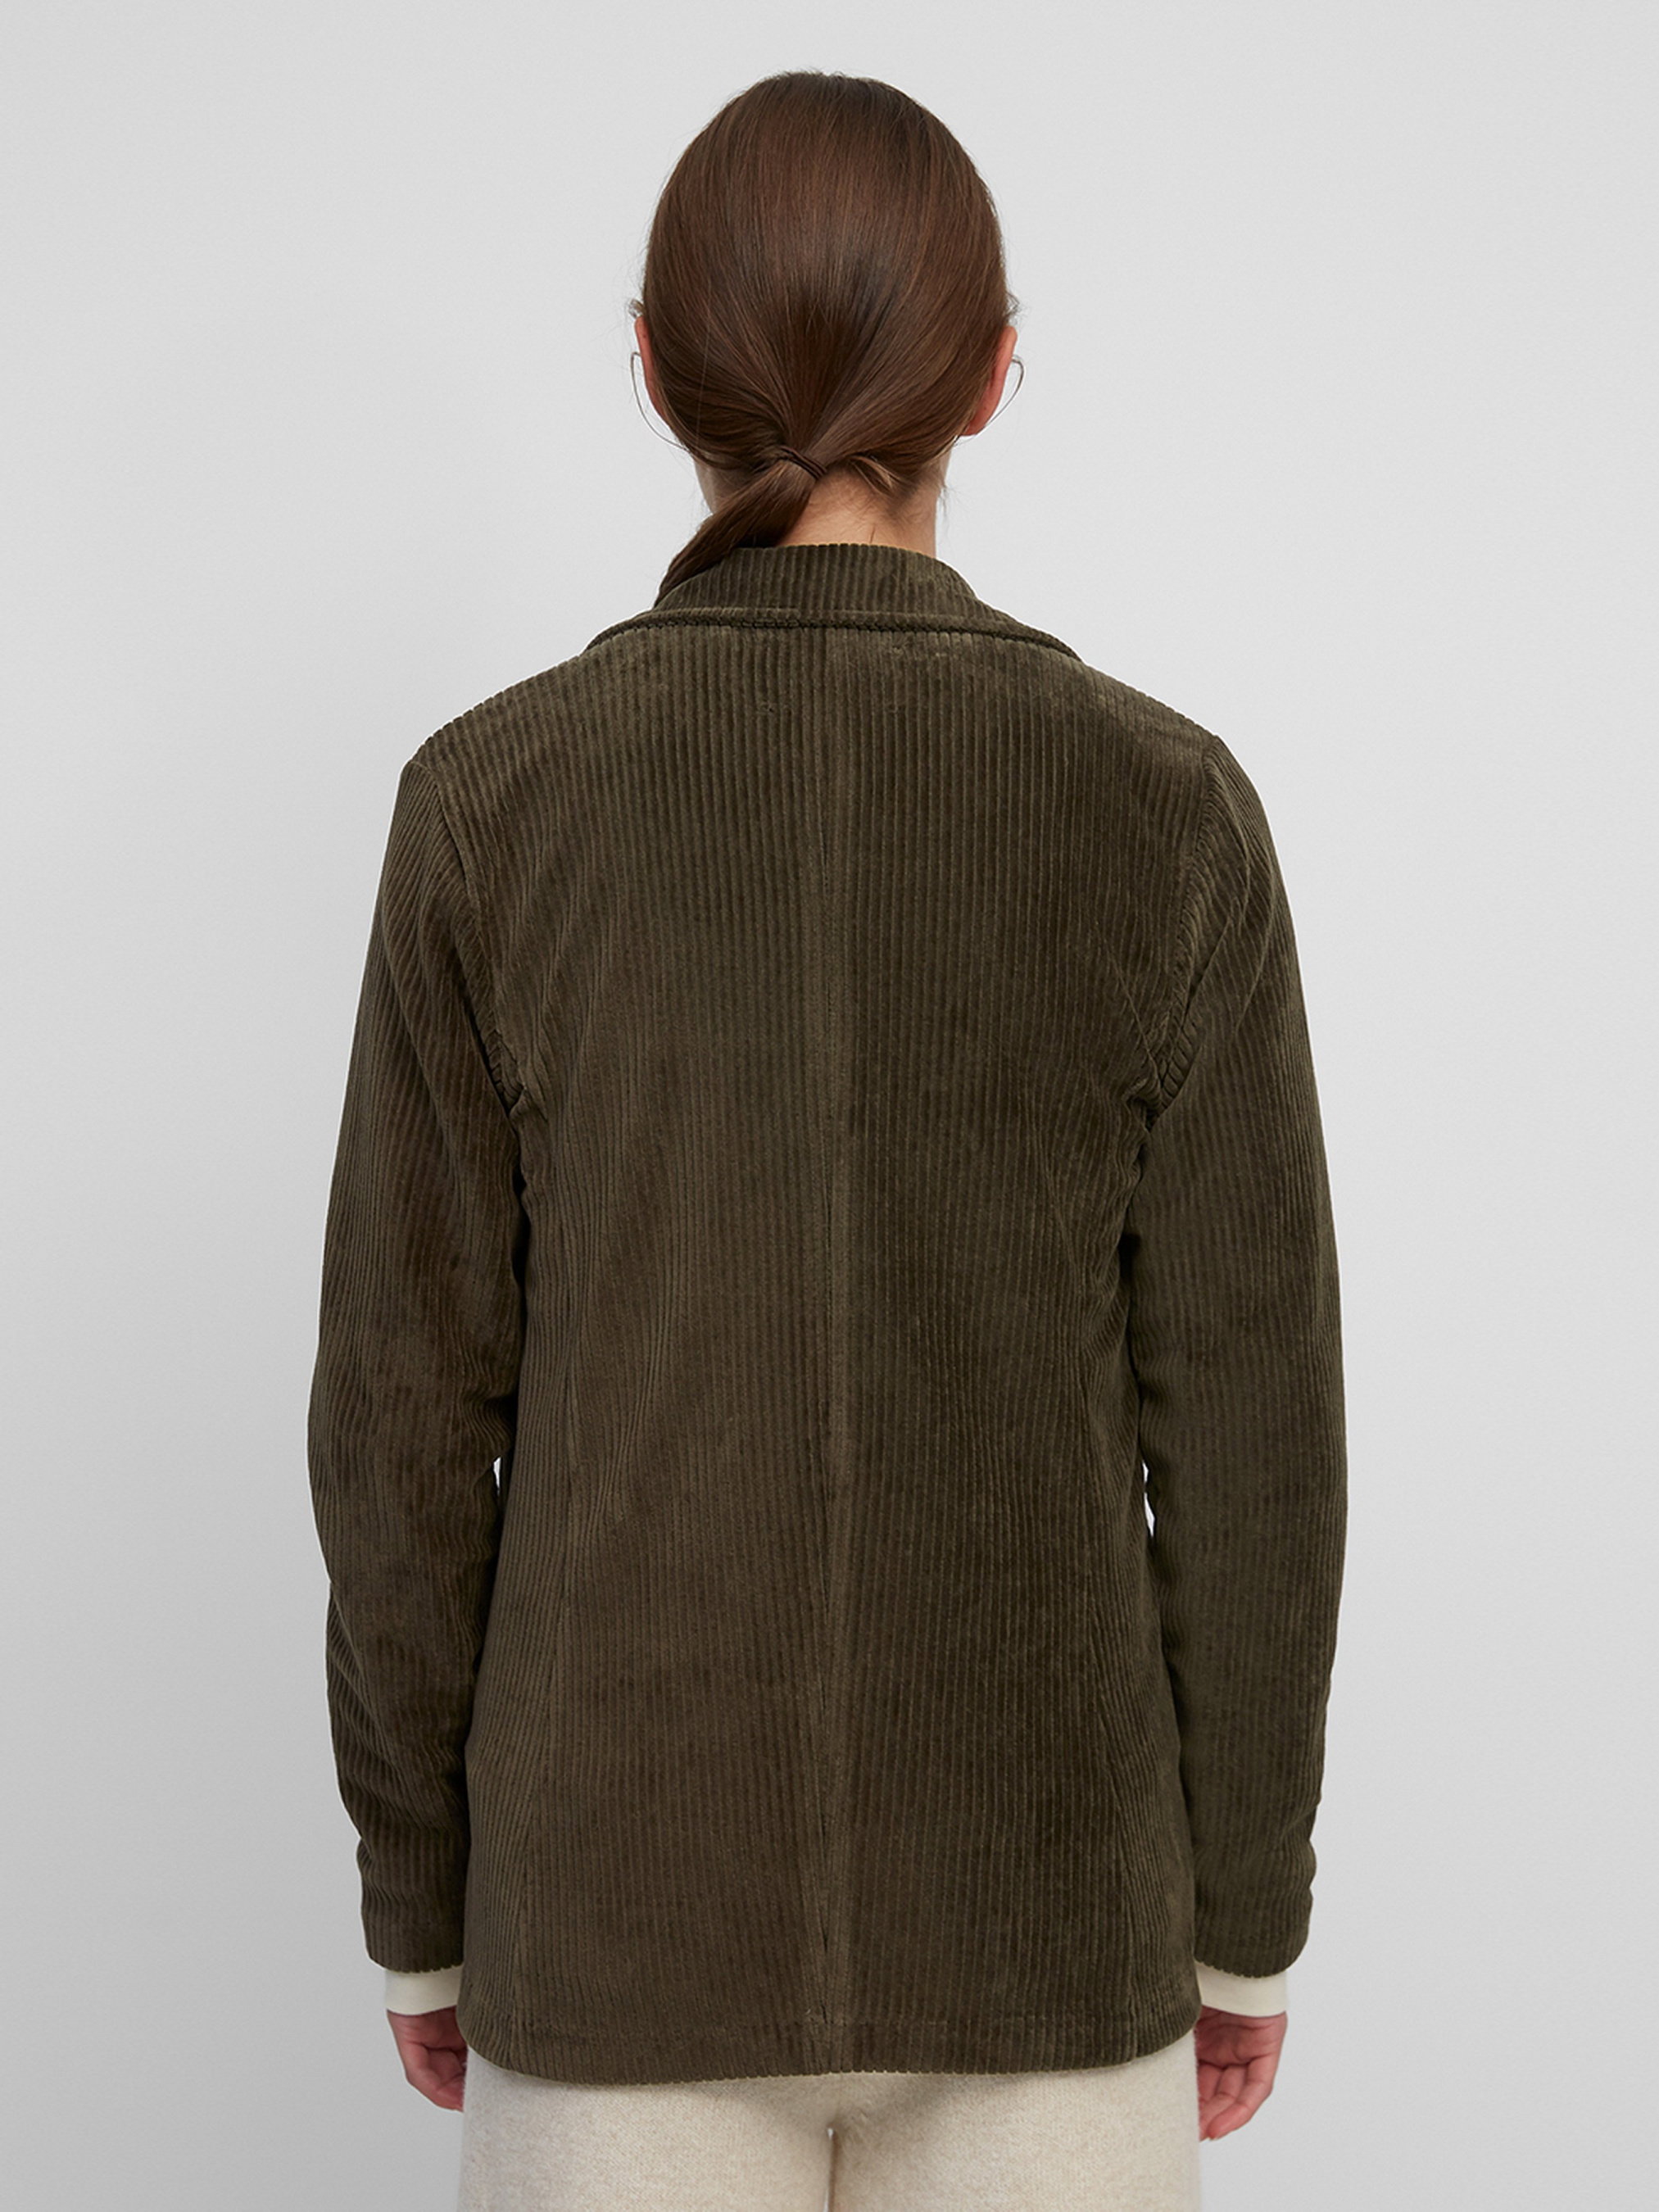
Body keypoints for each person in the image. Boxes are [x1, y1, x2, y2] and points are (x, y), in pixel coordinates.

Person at [307, 68, 1347, 2212]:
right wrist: (1243, 1916)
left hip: (612, 1926)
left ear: (650, 364)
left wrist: (423, 1895)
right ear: (989, 372)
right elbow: (1254, 1432)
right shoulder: (1165, 810)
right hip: (1054, 1933)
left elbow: (403, 1421)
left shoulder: (490, 807)